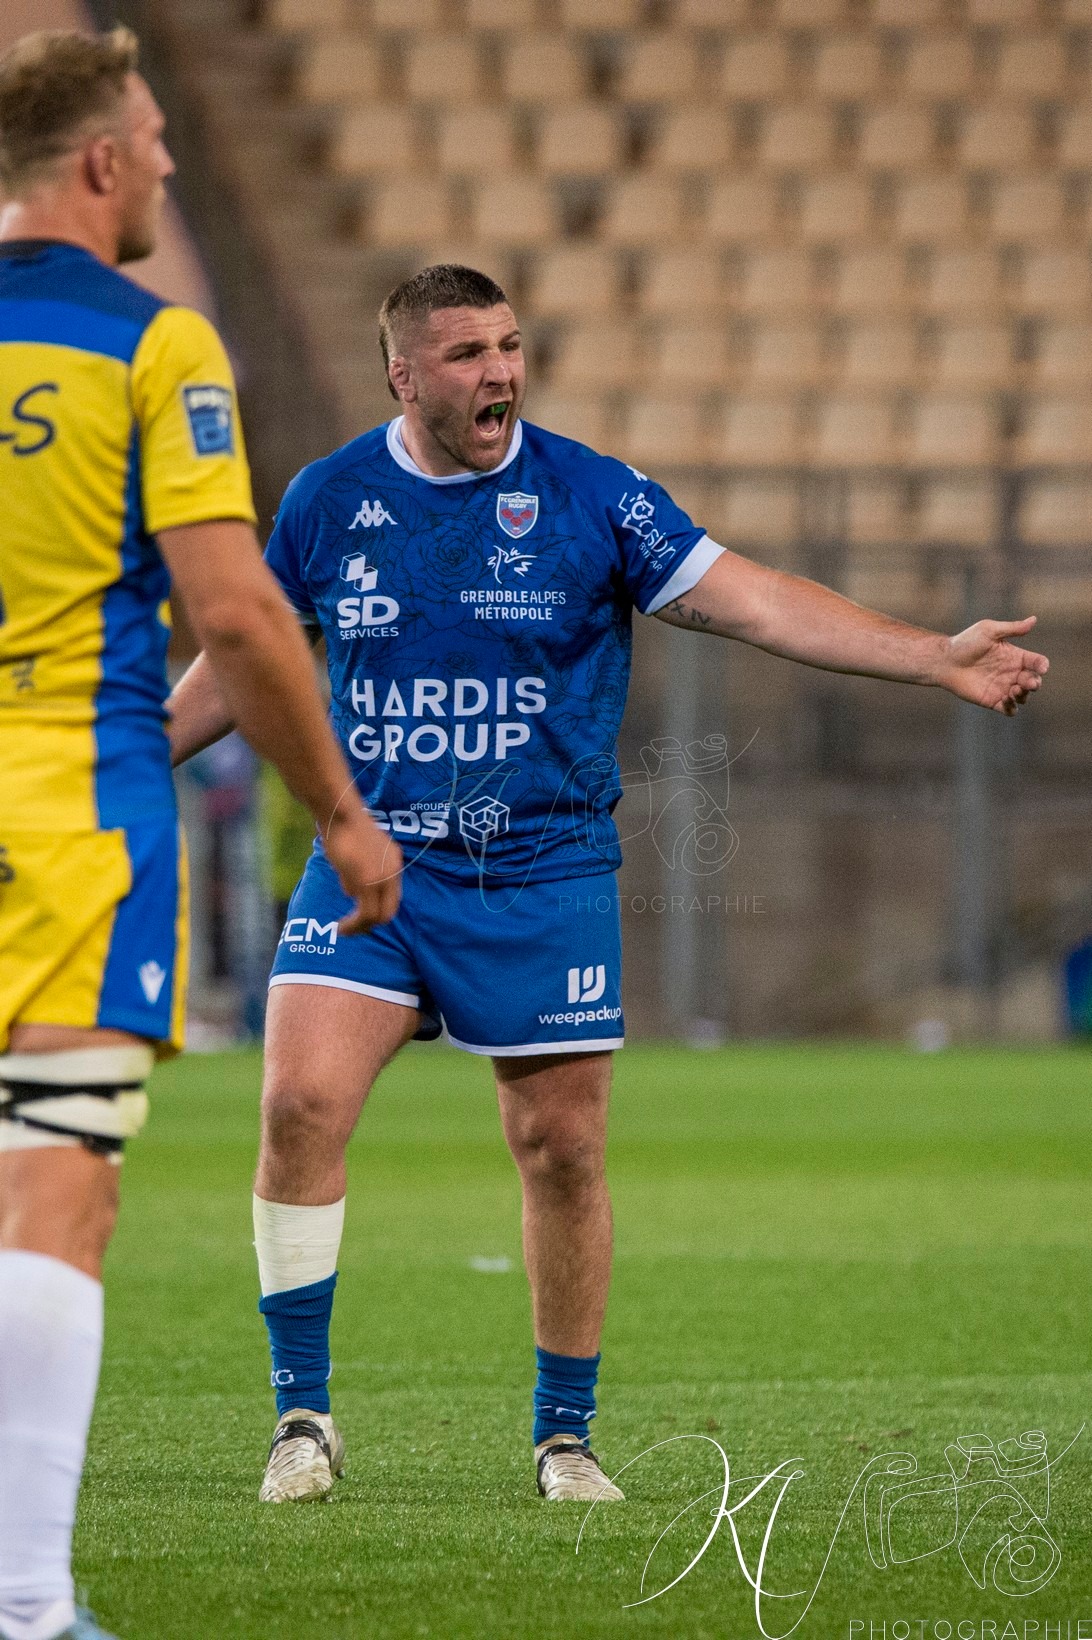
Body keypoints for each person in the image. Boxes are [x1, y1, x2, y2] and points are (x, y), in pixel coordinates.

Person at [168, 262, 1049, 1509]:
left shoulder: (592, 495)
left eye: (512, 345)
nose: (500, 374)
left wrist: (930, 658)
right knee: (299, 1104)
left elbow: (753, 601)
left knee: (562, 1147)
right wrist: (117, 762)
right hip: (376, 865)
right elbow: (244, 651)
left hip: (545, 872)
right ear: (402, 375)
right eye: (468, 353)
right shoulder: (328, 501)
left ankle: (564, 1437)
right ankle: (301, 1419)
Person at [0, 28, 398, 1640]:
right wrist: (342, 813)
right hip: (61, 815)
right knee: (53, 1183)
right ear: (99, 163)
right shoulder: (156, 350)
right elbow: (235, 611)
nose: (168, 164)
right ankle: (27, 1604)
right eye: (155, 142)